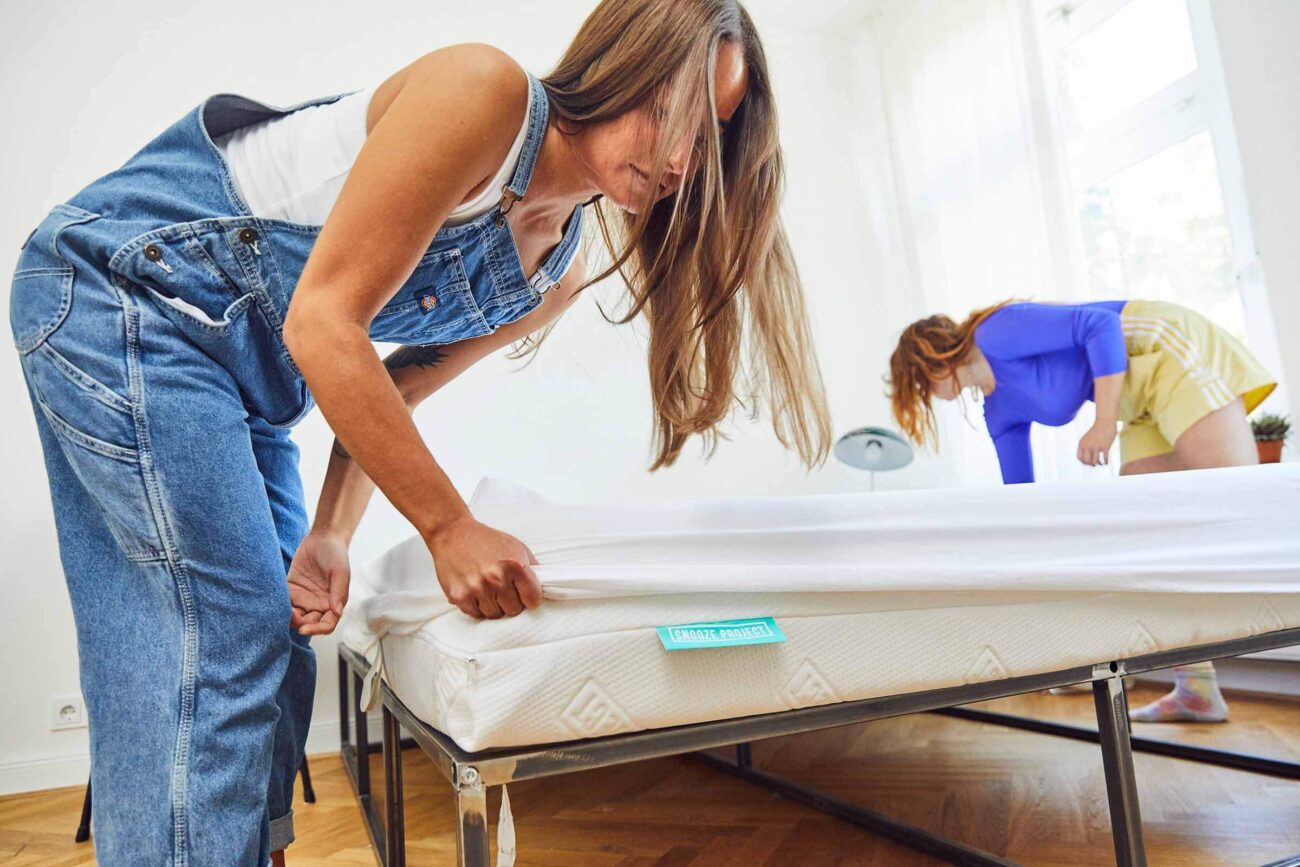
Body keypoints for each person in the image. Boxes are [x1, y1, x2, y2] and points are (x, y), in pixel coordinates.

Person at [8, 1, 831, 863]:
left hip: (238, 376)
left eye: (707, 140)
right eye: (670, 112)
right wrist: (447, 524)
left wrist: (331, 532)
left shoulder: (559, 266)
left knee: (282, 639)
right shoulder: (485, 95)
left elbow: (398, 381)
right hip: (124, 291)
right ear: (620, 62)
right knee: (221, 639)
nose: (678, 161)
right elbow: (325, 325)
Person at [887, 298, 1276, 723]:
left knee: (1240, 500)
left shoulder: (995, 331)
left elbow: (1099, 325)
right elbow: (1020, 501)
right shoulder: (998, 411)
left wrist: (1104, 423)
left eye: (916, 387)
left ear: (931, 362)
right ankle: (1196, 690)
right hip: (1135, 398)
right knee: (1150, 540)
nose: (924, 398)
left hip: (1159, 345)